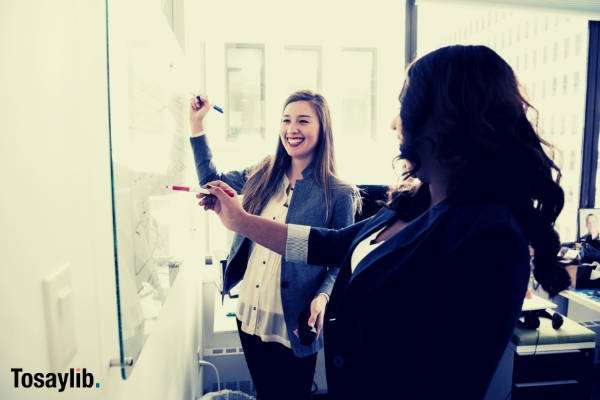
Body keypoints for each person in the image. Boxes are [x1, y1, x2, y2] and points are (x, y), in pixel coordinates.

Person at [197, 45, 572, 399]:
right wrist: (241, 222)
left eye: (403, 105)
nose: (395, 122)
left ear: (444, 119)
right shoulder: (414, 202)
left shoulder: (488, 237)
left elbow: (444, 384)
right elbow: (331, 245)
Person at [189, 90, 358, 400]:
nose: (292, 129)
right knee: (266, 392)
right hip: (250, 312)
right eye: (286, 120)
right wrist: (196, 125)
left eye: (303, 121)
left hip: (294, 321)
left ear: (323, 129)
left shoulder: (340, 193)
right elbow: (211, 179)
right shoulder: (262, 173)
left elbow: (341, 260)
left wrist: (322, 296)